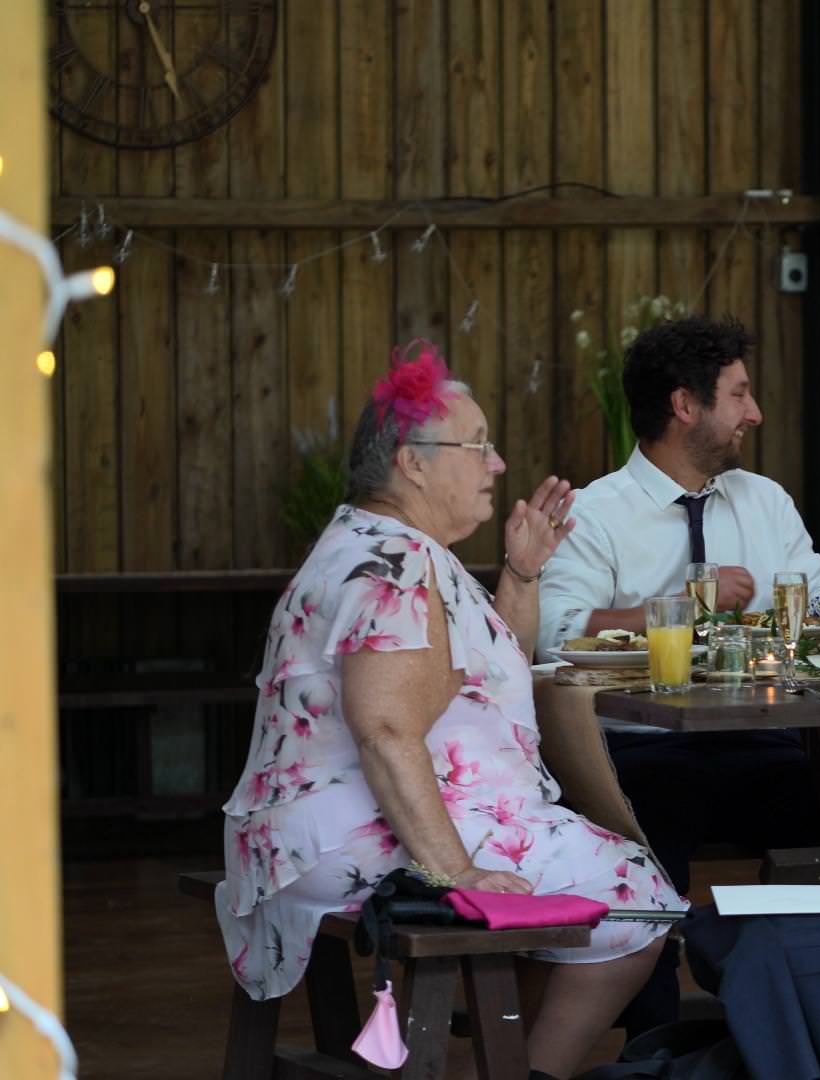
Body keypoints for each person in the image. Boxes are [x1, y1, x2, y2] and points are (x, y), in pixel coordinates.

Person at [215, 341, 684, 1080]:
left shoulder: (377, 542)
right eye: (479, 446)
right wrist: (454, 872)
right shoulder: (396, 564)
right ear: (414, 462)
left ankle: (503, 1064)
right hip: (350, 835)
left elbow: (486, 676)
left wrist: (523, 572)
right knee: (640, 896)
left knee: (600, 882)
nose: (497, 464)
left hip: (310, 831)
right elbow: (386, 729)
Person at [538, 314, 820, 1035]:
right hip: (637, 750)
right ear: (684, 405)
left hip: (761, 741)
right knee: (645, 843)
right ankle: (652, 1048)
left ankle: (795, 1028)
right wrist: (679, 605)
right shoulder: (596, 513)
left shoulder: (765, 501)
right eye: (738, 394)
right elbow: (554, 631)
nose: (754, 413)